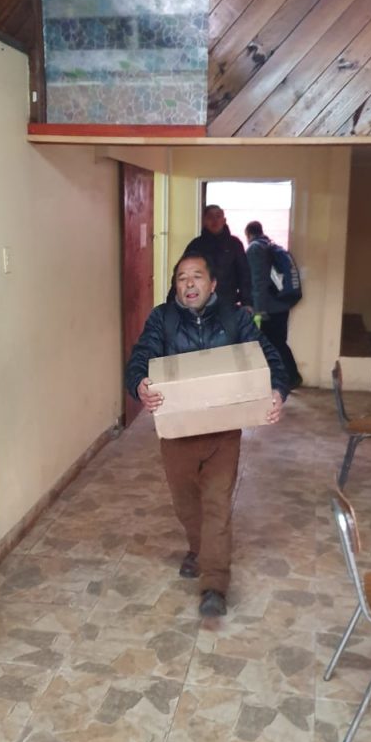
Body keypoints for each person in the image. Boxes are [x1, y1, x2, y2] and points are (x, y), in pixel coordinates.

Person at [125, 253, 289, 618]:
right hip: (177, 434)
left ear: (212, 284)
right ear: (176, 286)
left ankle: (214, 584)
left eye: (197, 276)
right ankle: (199, 548)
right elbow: (140, 356)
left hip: (222, 434)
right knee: (186, 505)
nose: (189, 283)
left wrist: (277, 391)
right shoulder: (162, 319)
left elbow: (270, 358)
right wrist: (139, 384)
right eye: (182, 277)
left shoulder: (236, 319)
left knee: (216, 504)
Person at [244, 221, 303, 388]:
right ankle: (291, 377)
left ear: (248, 234)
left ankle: (290, 377)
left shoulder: (255, 249)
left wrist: (259, 310)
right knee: (278, 342)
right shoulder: (271, 245)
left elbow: (258, 281)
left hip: (269, 308)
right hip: (281, 304)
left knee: (272, 344)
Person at [182, 204, 252, 309]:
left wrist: (247, 303)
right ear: (204, 221)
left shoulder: (234, 244)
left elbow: (244, 275)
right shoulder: (196, 245)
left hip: (228, 302)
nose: (214, 221)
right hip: (200, 302)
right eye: (210, 217)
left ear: (224, 220)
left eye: (218, 216)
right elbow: (183, 273)